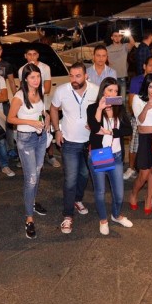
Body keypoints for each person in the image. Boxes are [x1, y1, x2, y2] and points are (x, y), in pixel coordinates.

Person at [50, 62, 99, 234]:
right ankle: (67, 216)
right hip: (69, 142)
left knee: (85, 175)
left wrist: (96, 124)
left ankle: (77, 200)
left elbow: (103, 111)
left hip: (90, 142)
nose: (74, 79)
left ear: (86, 76)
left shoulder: (96, 90)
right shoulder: (61, 90)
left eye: (78, 76)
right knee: (70, 179)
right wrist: (57, 130)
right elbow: (53, 109)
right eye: (71, 76)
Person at [8, 63, 50, 239]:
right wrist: (30, 122)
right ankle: (29, 218)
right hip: (26, 140)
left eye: (38, 76)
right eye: (32, 77)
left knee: (38, 172)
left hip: (40, 137)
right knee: (31, 178)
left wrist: (47, 117)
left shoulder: (40, 91)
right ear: (25, 79)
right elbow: (11, 119)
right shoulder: (19, 96)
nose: (36, 80)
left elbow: (42, 110)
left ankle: (32, 202)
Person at [87, 77, 133, 234]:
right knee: (100, 192)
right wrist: (100, 109)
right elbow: (94, 128)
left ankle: (116, 215)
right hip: (99, 154)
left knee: (119, 194)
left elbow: (128, 130)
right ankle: (103, 219)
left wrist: (111, 132)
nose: (113, 94)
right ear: (103, 91)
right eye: (110, 90)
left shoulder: (120, 108)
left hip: (116, 155)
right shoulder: (93, 108)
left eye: (116, 91)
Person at [129, 73, 152, 215]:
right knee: (143, 174)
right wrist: (147, 107)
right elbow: (140, 120)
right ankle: (134, 193)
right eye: (151, 86)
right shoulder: (138, 99)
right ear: (146, 86)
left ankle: (149, 198)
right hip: (144, 138)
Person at [124, 56, 152, 181]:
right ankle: (131, 168)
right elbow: (131, 101)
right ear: (144, 66)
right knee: (134, 144)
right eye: (150, 65)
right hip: (138, 118)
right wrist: (139, 116)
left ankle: (149, 168)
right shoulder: (136, 80)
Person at [106, 29, 134, 95]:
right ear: (112, 37)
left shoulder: (125, 46)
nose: (117, 37)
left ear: (121, 37)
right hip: (111, 76)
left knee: (122, 98)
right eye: (115, 36)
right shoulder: (107, 48)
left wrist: (128, 34)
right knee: (112, 97)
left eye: (119, 36)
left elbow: (132, 43)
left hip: (122, 77)